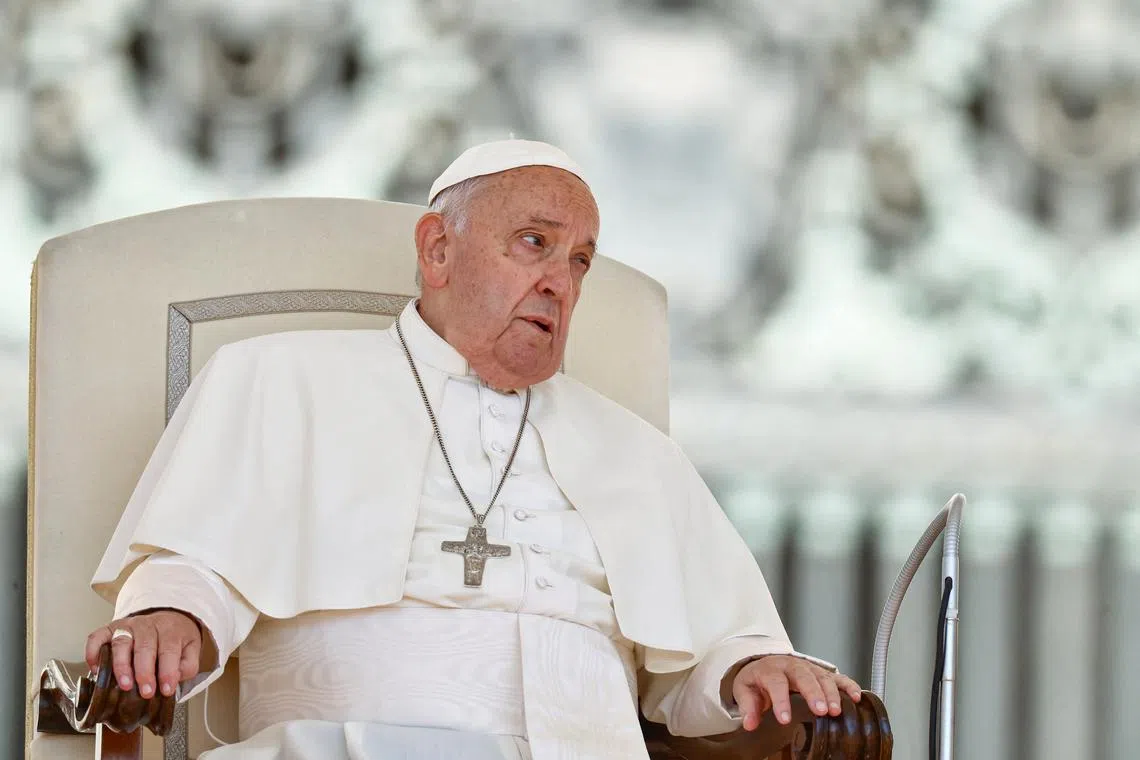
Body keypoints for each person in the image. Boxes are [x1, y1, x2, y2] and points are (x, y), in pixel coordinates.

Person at [85, 140, 862, 760]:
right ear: (438, 251)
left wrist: (751, 671)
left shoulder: (640, 454)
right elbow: (197, 566)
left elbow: (706, 663)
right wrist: (166, 618)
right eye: (535, 244)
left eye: (579, 261)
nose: (561, 281)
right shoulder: (281, 379)